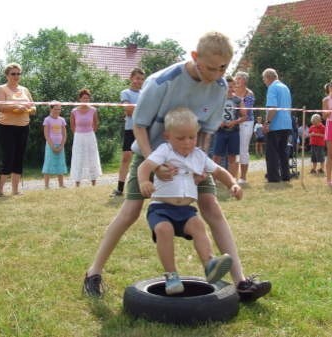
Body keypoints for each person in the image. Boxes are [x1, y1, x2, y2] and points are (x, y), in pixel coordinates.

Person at [83, 31, 271, 302]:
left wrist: (198, 165)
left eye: (223, 68)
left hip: (192, 153)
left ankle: (241, 283)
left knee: (212, 208)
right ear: (195, 57)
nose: (217, 74)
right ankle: (93, 274)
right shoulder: (162, 82)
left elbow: (207, 130)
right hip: (152, 152)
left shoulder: (219, 88)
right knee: (130, 211)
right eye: (211, 67)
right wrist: (154, 165)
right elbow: (139, 125)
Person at [138, 107, 240, 294]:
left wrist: (233, 184)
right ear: (168, 136)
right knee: (164, 229)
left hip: (186, 211)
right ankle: (171, 276)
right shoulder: (164, 151)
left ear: (197, 135)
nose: (187, 143)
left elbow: (218, 171)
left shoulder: (199, 155)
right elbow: (144, 167)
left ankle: (210, 265)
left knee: (198, 226)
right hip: (161, 208)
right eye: (180, 138)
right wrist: (144, 181)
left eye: (191, 137)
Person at [0, 63, 36, 196]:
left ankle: (15, 190)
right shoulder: (2, 89)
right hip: (6, 127)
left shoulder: (25, 90)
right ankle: (0, 190)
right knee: (8, 157)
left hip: (23, 127)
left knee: (19, 157)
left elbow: (34, 108)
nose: (16, 76)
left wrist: (28, 109)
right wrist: (16, 108)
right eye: (13, 74)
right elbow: (0, 107)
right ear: (7, 75)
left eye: (18, 73)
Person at [110, 68, 145, 197]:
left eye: (141, 79)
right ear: (131, 78)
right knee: (126, 158)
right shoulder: (125, 92)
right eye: (137, 78)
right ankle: (120, 189)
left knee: (148, 157)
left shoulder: (145, 93)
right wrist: (142, 112)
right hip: (130, 129)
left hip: (143, 129)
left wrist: (138, 111)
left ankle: (148, 186)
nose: (139, 81)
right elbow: (128, 111)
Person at [261, 68, 292, 182]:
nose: (264, 81)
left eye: (264, 79)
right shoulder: (285, 87)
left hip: (276, 124)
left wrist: (267, 123)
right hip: (287, 123)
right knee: (283, 151)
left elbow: (272, 108)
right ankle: (286, 175)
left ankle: (273, 177)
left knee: (272, 152)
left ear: (268, 78)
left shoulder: (272, 88)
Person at [212, 76, 246, 178]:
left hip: (234, 132)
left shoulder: (238, 100)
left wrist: (235, 122)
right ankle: (214, 180)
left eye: (232, 87)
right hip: (220, 132)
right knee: (216, 157)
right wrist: (218, 122)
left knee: (232, 157)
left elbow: (244, 116)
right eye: (228, 86)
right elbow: (210, 115)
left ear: (234, 87)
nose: (230, 89)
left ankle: (232, 180)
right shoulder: (217, 99)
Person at [69, 89, 102, 187]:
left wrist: (90, 133)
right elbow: (72, 125)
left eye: (87, 98)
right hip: (78, 137)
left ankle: (94, 182)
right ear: (80, 99)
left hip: (90, 136)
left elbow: (96, 123)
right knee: (78, 158)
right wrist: (78, 134)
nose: (86, 100)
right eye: (84, 98)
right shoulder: (74, 111)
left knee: (92, 158)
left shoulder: (93, 110)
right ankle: (77, 182)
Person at [234, 71, 255, 185]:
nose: (236, 80)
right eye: (236, 78)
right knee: (233, 150)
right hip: (233, 123)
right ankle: (232, 176)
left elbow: (246, 112)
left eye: (239, 78)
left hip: (246, 123)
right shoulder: (232, 91)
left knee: (243, 150)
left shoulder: (249, 94)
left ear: (245, 81)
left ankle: (243, 177)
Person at [42, 102, 67, 188]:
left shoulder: (62, 120)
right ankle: (46, 186)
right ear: (51, 109)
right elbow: (46, 134)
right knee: (48, 163)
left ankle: (61, 184)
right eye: (55, 109)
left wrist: (61, 145)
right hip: (50, 145)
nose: (57, 111)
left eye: (59, 109)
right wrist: (52, 146)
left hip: (60, 145)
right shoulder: (47, 120)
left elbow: (64, 134)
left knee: (60, 163)